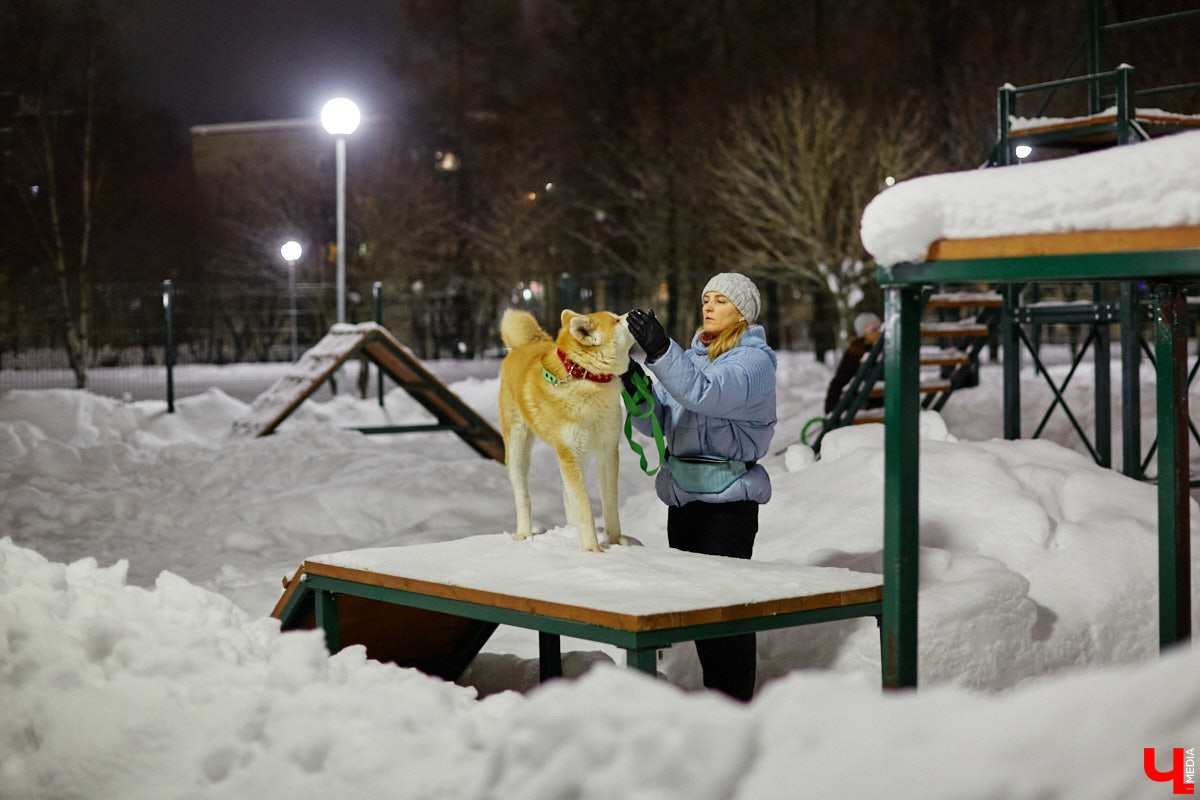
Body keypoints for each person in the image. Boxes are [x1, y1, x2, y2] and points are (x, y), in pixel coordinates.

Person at [623, 272, 776, 701]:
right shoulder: (691, 360)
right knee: (699, 610)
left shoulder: (754, 364)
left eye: (721, 300)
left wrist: (660, 350)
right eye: (706, 298)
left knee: (726, 615)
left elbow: (704, 394)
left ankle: (734, 706)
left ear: (743, 313)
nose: (708, 306)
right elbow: (657, 422)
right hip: (684, 500)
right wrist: (632, 382)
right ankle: (715, 703)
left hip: (728, 504)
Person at [823, 311, 882, 414]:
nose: (878, 332)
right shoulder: (856, 352)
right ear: (863, 333)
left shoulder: (882, 348)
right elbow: (840, 380)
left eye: (879, 328)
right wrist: (831, 411)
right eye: (873, 330)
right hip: (866, 403)